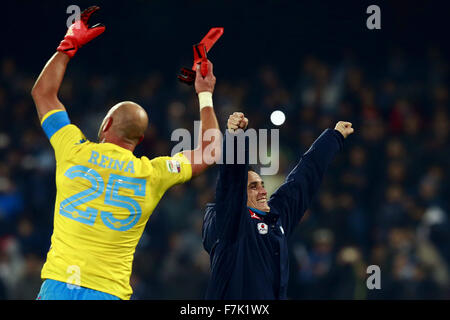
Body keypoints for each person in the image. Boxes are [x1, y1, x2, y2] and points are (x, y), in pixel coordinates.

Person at [31, 6, 220, 300]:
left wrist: (68, 45)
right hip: (109, 293)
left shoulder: (73, 149)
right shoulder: (153, 174)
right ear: (140, 138)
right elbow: (210, 152)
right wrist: (204, 92)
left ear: (106, 124)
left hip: (58, 286)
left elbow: (43, 93)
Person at [202, 112, 354, 299]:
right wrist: (236, 139)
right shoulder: (228, 224)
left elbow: (301, 181)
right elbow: (230, 182)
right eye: (253, 187)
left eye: (262, 185)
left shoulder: (276, 219)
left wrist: (333, 138)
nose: (263, 191)